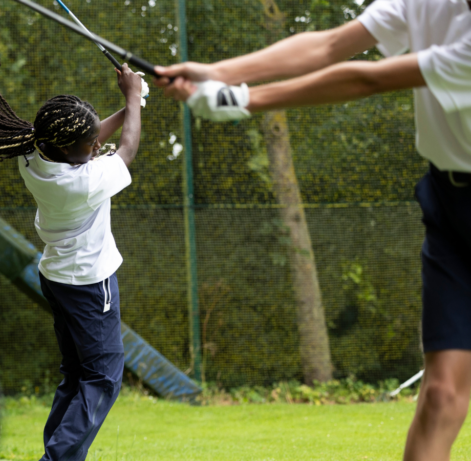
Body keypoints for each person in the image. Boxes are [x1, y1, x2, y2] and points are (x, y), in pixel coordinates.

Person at [154, 1, 470, 459]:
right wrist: (216, 72)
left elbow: (369, 79)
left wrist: (243, 99)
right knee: (441, 394)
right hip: (449, 205)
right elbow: (331, 44)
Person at [0, 42, 143, 461]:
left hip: (59, 278)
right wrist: (133, 99)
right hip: (88, 282)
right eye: (89, 144)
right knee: (103, 379)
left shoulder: (33, 150)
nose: (96, 146)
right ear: (67, 149)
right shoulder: (78, 182)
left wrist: (132, 103)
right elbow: (127, 151)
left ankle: (60, 453)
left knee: (77, 374)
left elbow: (89, 139)